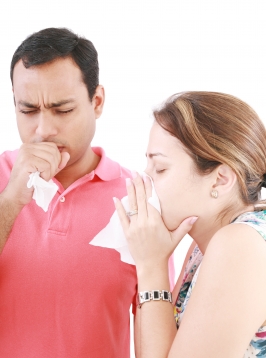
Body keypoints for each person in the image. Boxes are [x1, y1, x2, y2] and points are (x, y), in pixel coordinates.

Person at [0, 27, 139, 358]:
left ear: (97, 102)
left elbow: (158, 333)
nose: (44, 130)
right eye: (28, 110)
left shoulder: (138, 198)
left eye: (62, 110)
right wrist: (10, 202)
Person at [114, 91, 266, 358]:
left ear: (220, 180)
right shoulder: (202, 248)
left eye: (160, 169)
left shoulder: (239, 244)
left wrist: (151, 266)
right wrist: (150, 263)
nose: (145, 181)